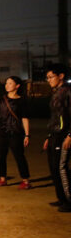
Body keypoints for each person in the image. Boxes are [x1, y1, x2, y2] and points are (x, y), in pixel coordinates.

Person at [0, 76, 31, 189]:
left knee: (19, 156)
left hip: (15, 132)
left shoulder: (22, 101)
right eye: (6, 83)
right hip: (1, 131)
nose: (7, 85)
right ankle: (2, 179)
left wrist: (27, 134)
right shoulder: (1, 98)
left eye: (10, 83)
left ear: (17, 86)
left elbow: (25, 118)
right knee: (0, 156)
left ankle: (26, 181)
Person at [43, 64, 71, 212]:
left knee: (61, 168)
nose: (49, 80)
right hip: (54, 134)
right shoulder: (56, 93)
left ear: (60, 76)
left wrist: (69, 135)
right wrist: (49, 136)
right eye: (47, 78)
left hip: (64, 135)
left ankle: (69, 201)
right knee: (54, 168)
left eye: (51, 77)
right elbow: (55, 117)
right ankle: (61, 198)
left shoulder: (67, 91)